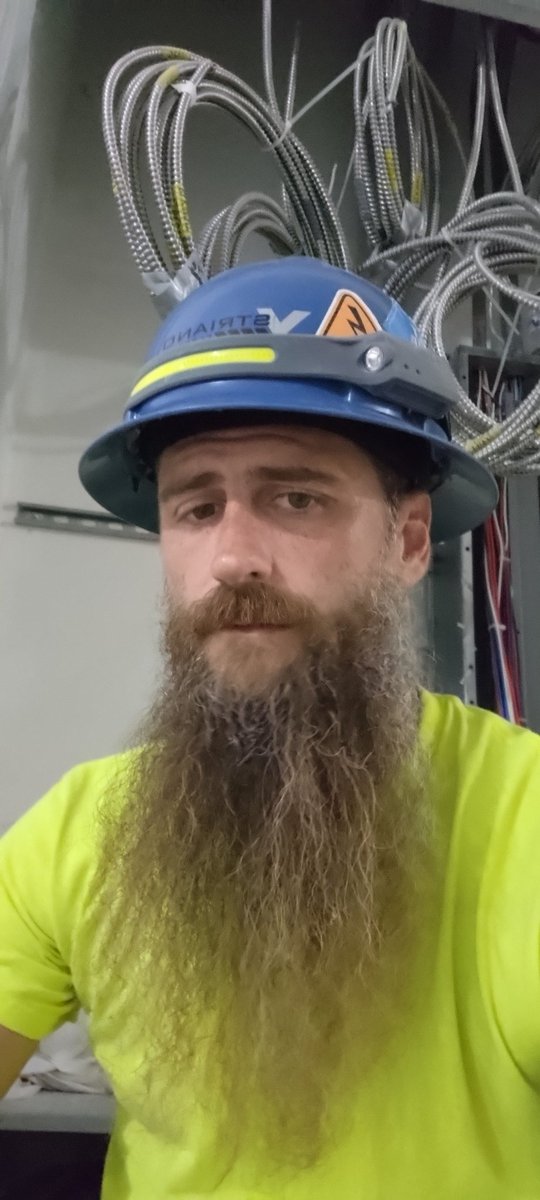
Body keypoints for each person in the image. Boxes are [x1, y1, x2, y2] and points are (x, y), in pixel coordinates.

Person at [1, 257, 539, 1200]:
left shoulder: (520, 822)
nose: (233, 557)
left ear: (411, 541)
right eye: (197, 507)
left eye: (297, 498)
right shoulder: (79, 833)